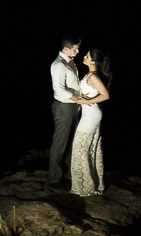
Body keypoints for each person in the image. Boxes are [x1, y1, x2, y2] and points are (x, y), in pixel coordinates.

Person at [70, 48, 112, 196]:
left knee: (81, 149)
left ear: (93, 61)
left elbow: (105, 95)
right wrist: (84, 100)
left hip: (91, 116)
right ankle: (90, 184)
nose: (84, 56)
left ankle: (87, 188)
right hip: (89, 114)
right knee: (86, 148)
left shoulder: (93, 76)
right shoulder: (90, 74)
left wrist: (88, 101)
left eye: (87, 56)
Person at [48, 34, 82, 189]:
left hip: (74, 105)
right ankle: (54, 179)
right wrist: (78, 99)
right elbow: (60, 91)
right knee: (60, 143)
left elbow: (73, 84)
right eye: (75, 49)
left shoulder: (70, 62)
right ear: (66, 48)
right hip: (63, 107)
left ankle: (68, 175)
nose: (78, 52)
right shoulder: (58, 65)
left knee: (71, 142)